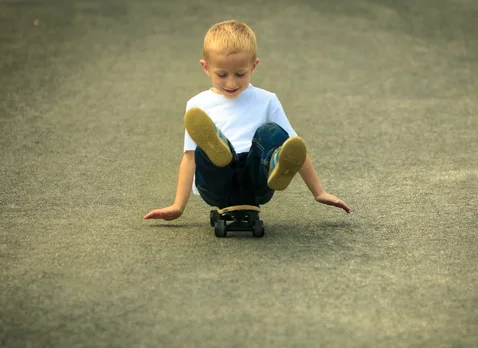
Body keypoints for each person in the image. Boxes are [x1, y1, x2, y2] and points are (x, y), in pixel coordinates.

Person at [144, 20, 350, 222]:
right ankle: (221, 150)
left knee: (271, 132)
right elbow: (189, 158)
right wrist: (177, 206)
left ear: (254, 66)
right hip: (217, 186)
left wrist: (319, 192)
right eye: (222, 74)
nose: (231, 82)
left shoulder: (267, 100)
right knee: (203, 151)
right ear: (206, 68)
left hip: (257, 180)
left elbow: (295, 148)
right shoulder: (198, 105)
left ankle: (274, 162)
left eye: (240, 74)